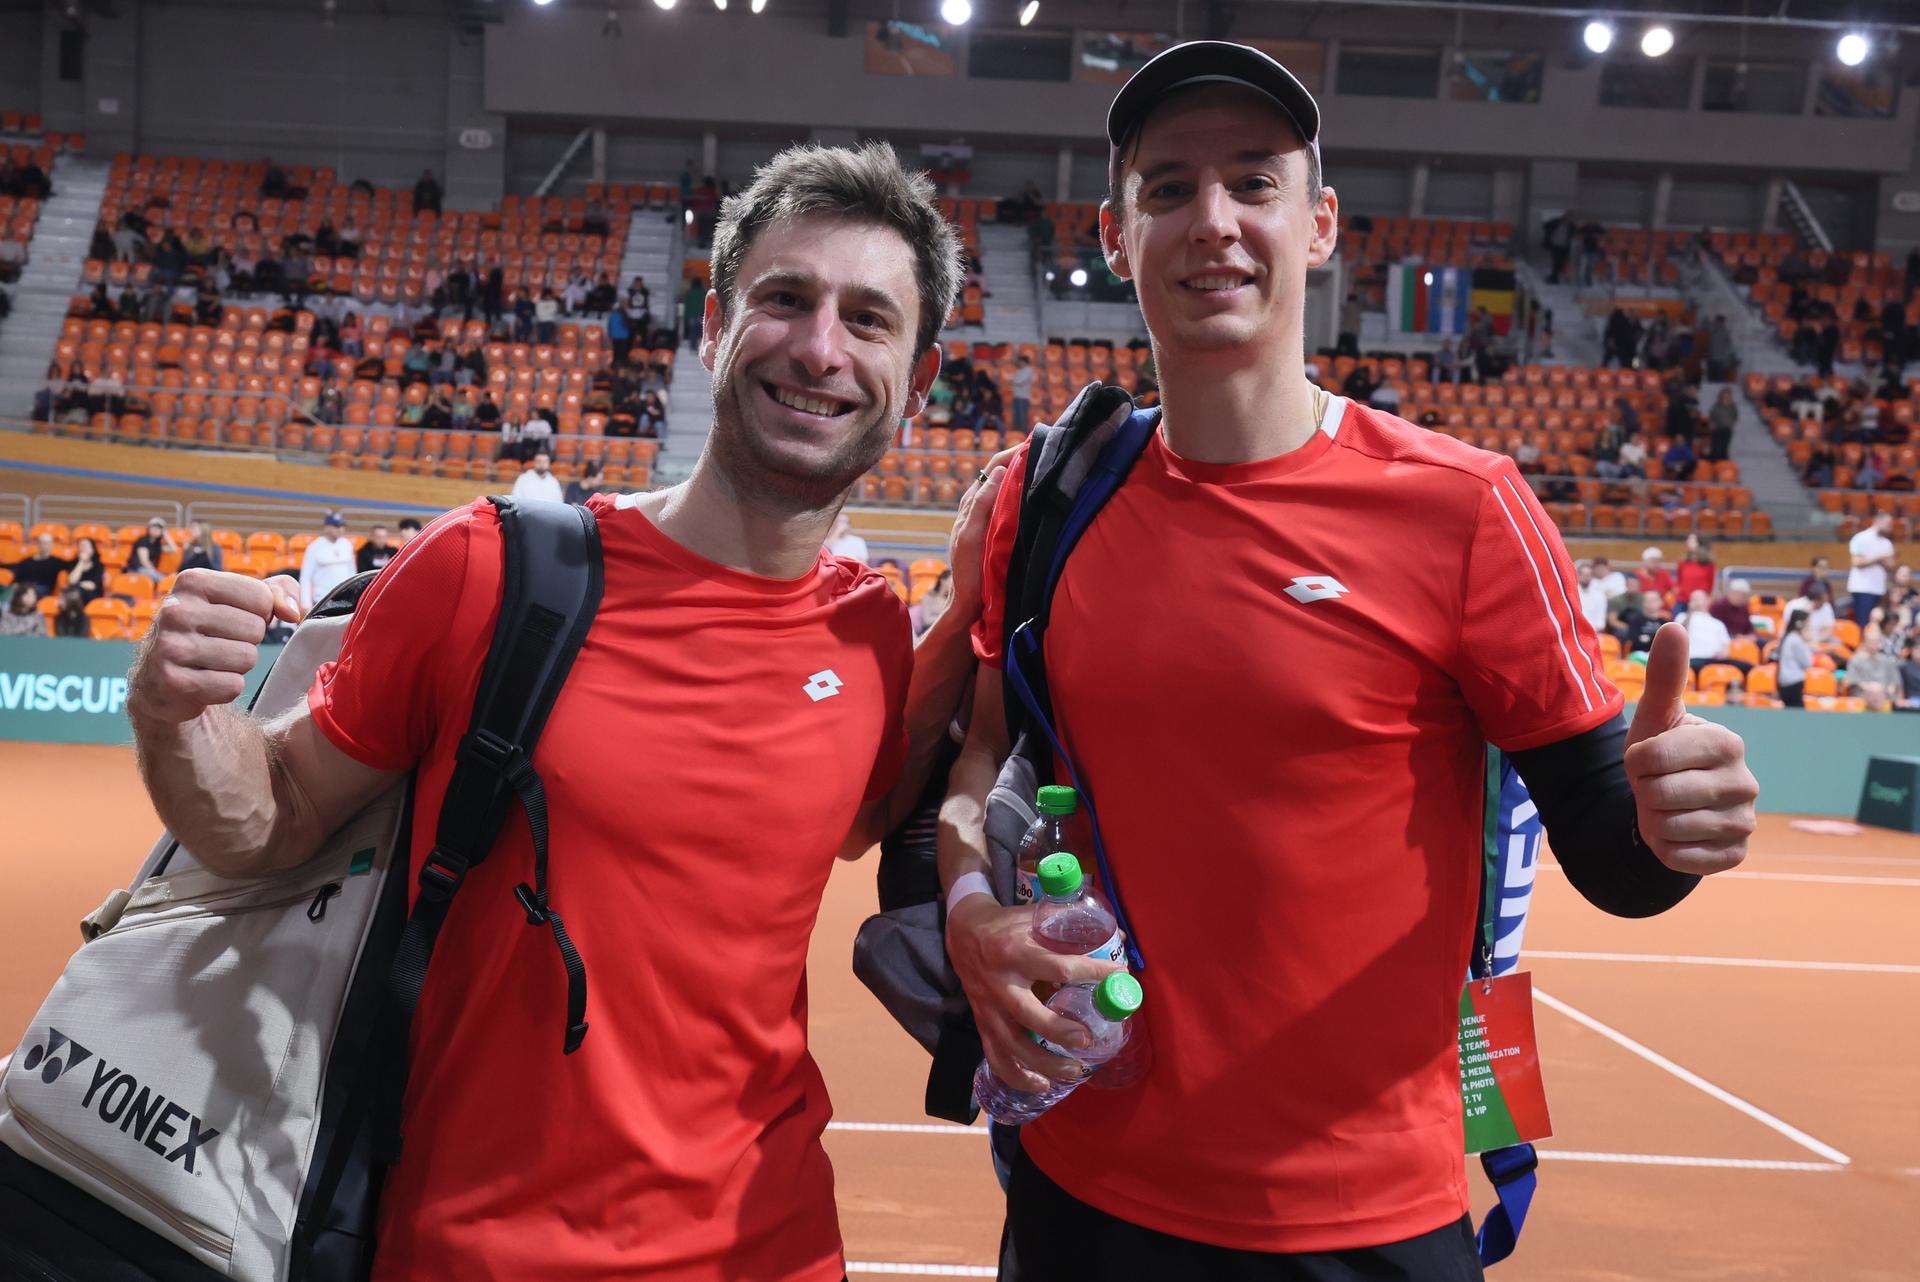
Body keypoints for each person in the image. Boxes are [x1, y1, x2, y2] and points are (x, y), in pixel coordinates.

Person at [940, 43, 1755, 1282]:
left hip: (1368, 1225)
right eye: (1168, 189)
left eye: (1254, 182)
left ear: (1318, 224)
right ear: (1117, 234)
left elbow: (1617, 858)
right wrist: (968, 911)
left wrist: (1670, 823)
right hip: (1084, 1198)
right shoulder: (1047, 497)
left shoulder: (1466, 509)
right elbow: (989, 748)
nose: (1212, 219)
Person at [122, 140, 994, 1281]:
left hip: (770, 1246)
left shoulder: (870, 632)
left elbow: (852, 813)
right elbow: (273, 813)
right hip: (477, 1248)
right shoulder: (488, 569)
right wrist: (174, 716)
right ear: (710, 328)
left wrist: (976, 591)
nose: (820, 348)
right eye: (785, 298)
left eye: (868, 320)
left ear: (919, 385)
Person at [298, 512, 358, 611]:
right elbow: (306, 577)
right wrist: (305, 603)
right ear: (326, 528)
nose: (340, 529)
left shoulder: (347, 545)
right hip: (322, 600)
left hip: (345, 599)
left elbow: (352, 573)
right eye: (336, 526)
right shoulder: (314, 547)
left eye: (342, 526)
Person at [1681, 589, 1746, 676]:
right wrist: (1690, 611)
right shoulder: (1682, 617)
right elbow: (1680, 633)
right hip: (1693, 659)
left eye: (1698, 598)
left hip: (1715, 660)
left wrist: (1723, 653)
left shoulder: (1718, 623)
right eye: (1693, 599)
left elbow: (1726, 647)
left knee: (1748, 668)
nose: (1695, 601)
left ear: (1708, 600)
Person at [1848, 511, 1896, 625]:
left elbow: (1891, 565)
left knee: (1877, 622)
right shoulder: (1860, 538)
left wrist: (1875, 559)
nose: (1890, 527)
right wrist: (1879, 557)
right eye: (1888, 524)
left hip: (1879, 588)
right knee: (1863, 622)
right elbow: (1857, 561)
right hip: (1862, 587)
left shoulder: (1887, 543)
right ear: (1877, 521)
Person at [1844, 627, 1903, 707]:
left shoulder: (1888, 661)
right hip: (1862, 695)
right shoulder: (1856, 660)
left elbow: (1895, 682)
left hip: (1885, 696)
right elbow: (1852, 680)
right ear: (1865, 642)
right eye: (1871, 641)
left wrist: (1888, 689)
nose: (1873, 644)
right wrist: (1871, 689)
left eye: (1876, 641)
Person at [5, 533, 75, 597]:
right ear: (37, 544)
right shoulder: (26, 562)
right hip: (23, 587)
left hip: (42, 589)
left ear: (51, 545)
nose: (43, 545)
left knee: (30, 592)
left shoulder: (56, 562)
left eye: (47, 543)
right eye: (41, 543)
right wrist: (14, 586)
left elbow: (72, 565)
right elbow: (16, 580)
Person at [1785, 578, 1837, 647]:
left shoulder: (1826, 606)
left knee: (1836, 642)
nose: (1824, 604)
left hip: (1819, 641)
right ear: (1815, 600)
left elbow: (1828, 630)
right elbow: (1793, 630)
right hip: (1800, 640)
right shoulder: (1794, 606)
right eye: (1821, 602)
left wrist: (1816, 641)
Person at [1776, 610, 1813, 707]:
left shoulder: (1788, 637)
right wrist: (1808, 641)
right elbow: (1807, 662)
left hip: (1785, 682)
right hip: (1793, 682)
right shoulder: (1796, 640)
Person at [129, 518, 176, 583]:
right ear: (149, 528)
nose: (156, 530)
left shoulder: (157, 545)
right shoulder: (143, 541)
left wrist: (166, 535)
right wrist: (155, 572)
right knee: (164, 580)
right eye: (154, 527)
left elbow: (173, 549)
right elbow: (144, 561)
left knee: (166, 579)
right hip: (136, 569)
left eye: (159, 528)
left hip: (147, 570)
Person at [66, 537, 108, 603]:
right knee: (72, 593)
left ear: (93, 549)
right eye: (80, 546)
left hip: (93, 595)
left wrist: (77, 585)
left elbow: (92, 585)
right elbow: (72, 580)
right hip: (76, 594)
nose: (82, 548)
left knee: (75, 592)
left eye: (85, 546)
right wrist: (81, 562)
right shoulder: (73, 564)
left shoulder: (98, 565)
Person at [1675, 533, 1715, 601]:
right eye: (1688, 540)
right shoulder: (1682, 562)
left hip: (1699, 600)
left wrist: (1706, 597)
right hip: (1683, 599)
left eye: (1692, 541)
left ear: (1700, 544)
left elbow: (1710, 584)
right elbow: (1679, 581)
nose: (1687, 542)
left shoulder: (1708, 564)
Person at [1707, 387, 1737, 462]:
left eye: (1728, 395)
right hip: (1717, 428)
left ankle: (1724, 461)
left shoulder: (1732, 406)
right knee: (1716, 446)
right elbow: (1712, 415)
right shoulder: (1717, 405)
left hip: (1727, 429)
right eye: (1725, 394)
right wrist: (1712, 423)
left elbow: (1735, 416)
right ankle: (1713, 460)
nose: (1726, 396)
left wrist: (1732, 425)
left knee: (1725, 446)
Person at [1577, 558, 1609, 631]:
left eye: (1588, 575)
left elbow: (1600, 620)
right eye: (1583, 574)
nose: (1586, 577)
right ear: (1578, 576)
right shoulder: (1572, 594)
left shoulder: (1599, 595)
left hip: (1594, 631)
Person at [1009, 354, 1035, 435]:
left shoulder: (1029, 370)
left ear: (1023, 362)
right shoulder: (1020, 370)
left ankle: (1025, 435)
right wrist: (1014, 378)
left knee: (1022, 417)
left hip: (1023, 397)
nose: (1018, 363)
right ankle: (1015, 435)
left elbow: (1017, 381)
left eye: (1019, 361)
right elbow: (1013, 379)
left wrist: (1014, 378)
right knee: (1016, 417)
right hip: (1016, 396)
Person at [683, 276, 706, 348]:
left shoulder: (689, 293)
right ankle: (701, 346)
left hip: (692, 315)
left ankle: (692, 346)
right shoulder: (704, 292)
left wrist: (686, 316)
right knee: (702, 332)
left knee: (693, 331)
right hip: (701, 314)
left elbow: (687, 305)